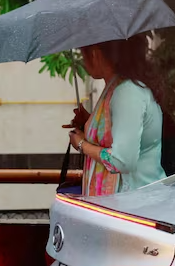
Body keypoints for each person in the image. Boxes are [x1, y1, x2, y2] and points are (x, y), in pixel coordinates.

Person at [66, 35, 167, 196]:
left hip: (135, 204)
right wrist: (89, 122)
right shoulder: (119, 87)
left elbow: (122, 161)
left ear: (95, 55)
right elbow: (116, 132)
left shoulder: (126, 92)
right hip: (134, 201)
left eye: (83, 55)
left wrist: (81, 144)